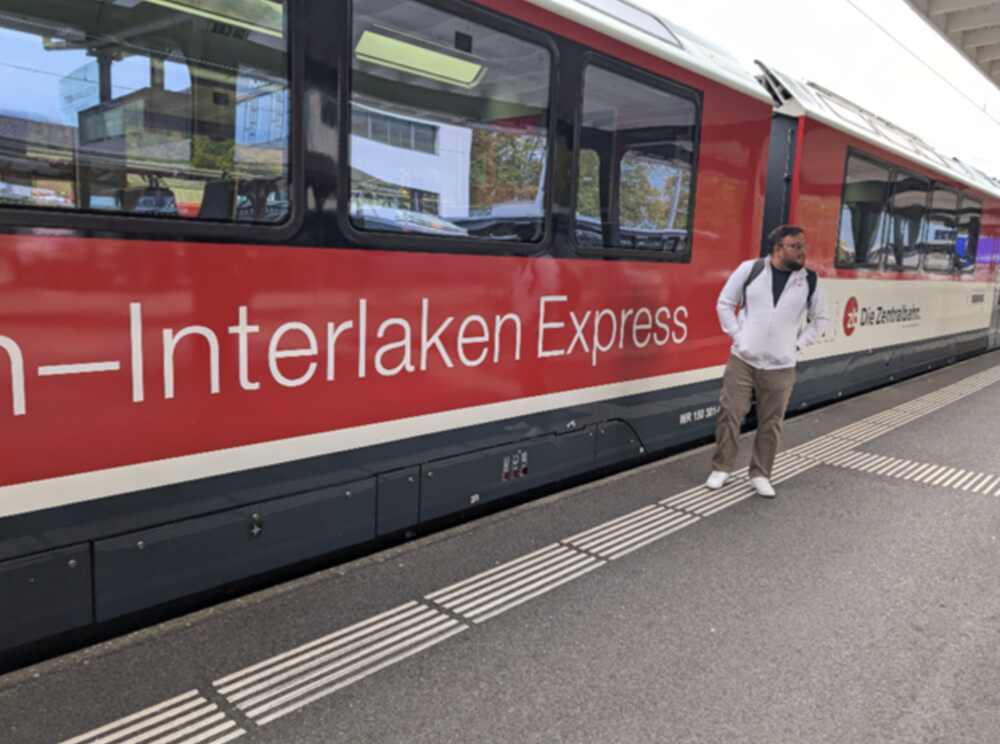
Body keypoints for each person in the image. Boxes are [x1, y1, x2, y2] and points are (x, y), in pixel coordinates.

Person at [705, 225, 829, 497]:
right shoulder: (751, 270)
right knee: (730, 413)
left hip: (781, 366)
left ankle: (760, 474)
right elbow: (725, 303)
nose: (801, 251)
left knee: (771, 422)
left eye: (802, 246)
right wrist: (738, 338)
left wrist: (797, 345)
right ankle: (721, 468)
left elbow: (820, 320)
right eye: (795, 246)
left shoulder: (809, 280)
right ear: (778, 249)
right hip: (743, 360)